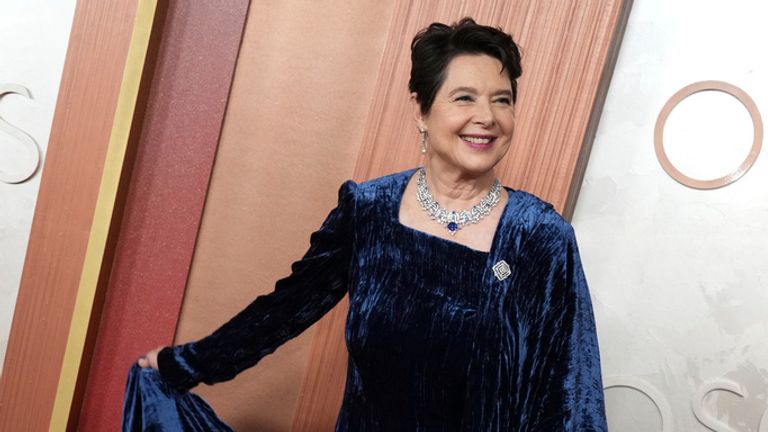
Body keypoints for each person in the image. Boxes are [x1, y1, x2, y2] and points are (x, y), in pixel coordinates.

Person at [132, 17, 607, 431]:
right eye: (464, 98)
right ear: (421, 110)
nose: (486, 118)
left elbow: (570, 395)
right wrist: (183, 364)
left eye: (502, 101)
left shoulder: (540, 236)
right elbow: (284, 310)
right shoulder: (369, 210)